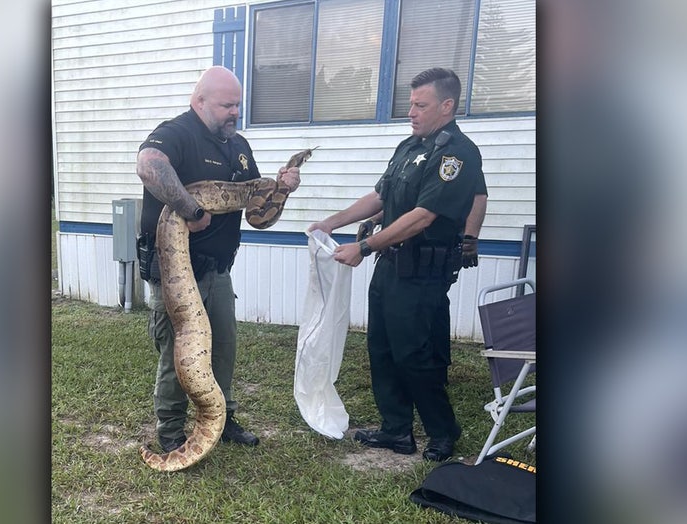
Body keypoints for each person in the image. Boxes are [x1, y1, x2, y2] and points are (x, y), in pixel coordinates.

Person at [308, 67, 487, 462]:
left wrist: (365, 246)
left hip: (422, 271)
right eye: (411, 103)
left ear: (446, 105)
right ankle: (396, 430)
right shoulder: (410, 147)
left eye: (420, 105)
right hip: (390, 267)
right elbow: (381, 196)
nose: (411, 111)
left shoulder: (457, 153)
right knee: (382, 349)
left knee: (414, 355)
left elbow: (424, 215)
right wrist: (332, 222)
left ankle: (443, 432)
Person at [135, 66, 301, 452]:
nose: (234, 112)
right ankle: (171, 430)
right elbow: (148, 165)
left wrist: (282, 190)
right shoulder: (178, 133)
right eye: (228, 105)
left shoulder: (239, 147)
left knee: (223, 348)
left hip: (219, 270)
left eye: (238, 105)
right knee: (181, 351)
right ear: (200, 101)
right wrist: (191, 212)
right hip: (177, 270)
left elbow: (258, 217)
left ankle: (221, 418)